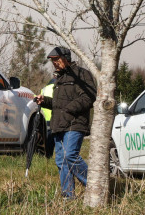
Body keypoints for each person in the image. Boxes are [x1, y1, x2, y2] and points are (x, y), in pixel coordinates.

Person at [34, 47, 96, 200]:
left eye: (57, 59)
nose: (54, 63)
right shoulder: (58, 79)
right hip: (58, 125)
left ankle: (94, 187)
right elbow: (57, 103)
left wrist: (69, 109)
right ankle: (68, 195)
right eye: (53, 61)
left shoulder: (82, 74)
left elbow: (89, 97)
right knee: (61, 160)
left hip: (75, 123)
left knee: (70, 156)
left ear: (66, 57)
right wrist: (45, 101)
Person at [39, 78, 55, 158]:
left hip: (44, 117)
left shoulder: (44, 89)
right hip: (54, 117)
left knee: (47, 139)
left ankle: (47, 156)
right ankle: (49, 156)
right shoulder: (57, 87)